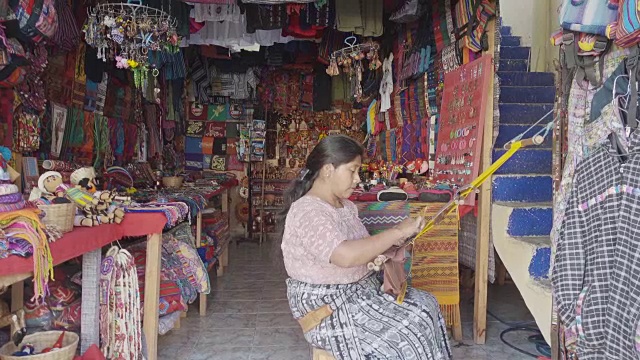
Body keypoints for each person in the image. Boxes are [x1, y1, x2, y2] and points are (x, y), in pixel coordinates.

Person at [281, 135, 452, 360]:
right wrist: (397, 232)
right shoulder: (308, 211)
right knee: (411, 331)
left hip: (359, 293)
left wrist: (385, 250)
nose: (357, 180)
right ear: (327, 170)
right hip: (330, 307)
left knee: (426, 305)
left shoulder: (346, 207)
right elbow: (345, 256)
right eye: (352, 171)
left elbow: (361, 249)